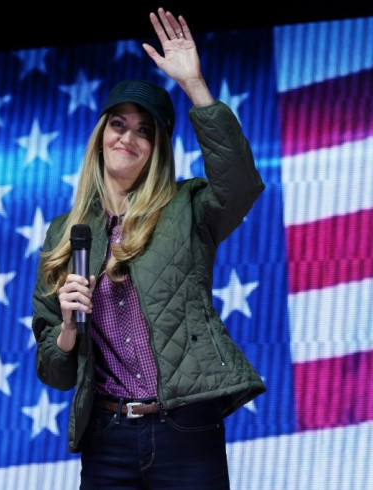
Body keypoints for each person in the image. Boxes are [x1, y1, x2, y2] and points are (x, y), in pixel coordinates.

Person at [31, 7, 267, 490]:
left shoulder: (187, 206)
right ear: (101, 136)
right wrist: (68, 333)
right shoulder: (64, 233)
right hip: (107, 434)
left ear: (158, 147)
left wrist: (195, 86)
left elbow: (240, 183)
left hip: (186, 428)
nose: (129, 138)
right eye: (119, 124)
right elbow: (52, 371)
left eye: (146, 130)